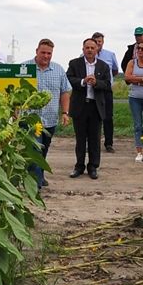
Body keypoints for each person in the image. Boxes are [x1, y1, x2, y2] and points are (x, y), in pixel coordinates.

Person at [24, 38, 71, 188]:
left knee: (43, 150)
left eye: (49, 53)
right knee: (34, 151)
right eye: (43, 52)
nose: (46, 56)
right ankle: (34, 185)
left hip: (50, 120)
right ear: (36, 51)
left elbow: (65, 92)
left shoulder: (58, 70)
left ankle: (40, 176)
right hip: (30, 120)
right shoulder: (24, 67)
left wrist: (65, 112)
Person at [66, 38, 112, 179]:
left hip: (95, 106)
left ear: (97, 49)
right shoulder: (74, 63)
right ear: (83, 49)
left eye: (93, 48)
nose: (90, 50)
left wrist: (96, 82)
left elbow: (107, 84)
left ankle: (93, 167)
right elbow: (69, 79)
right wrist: (83, 81)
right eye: (87, 47)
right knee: (80, 139)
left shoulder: (103, 66)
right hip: (80, 105)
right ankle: (79, 166)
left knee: (94, 139)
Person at [92, 32, 120, 153]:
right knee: (92, 117)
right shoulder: (85, 54)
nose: (98, 44)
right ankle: (92, 143)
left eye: (100, 41)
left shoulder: (110, 55)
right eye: (96, 41)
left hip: (106, 89)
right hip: (92, 89)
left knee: (108, 117)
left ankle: (109, 143)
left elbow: (114, 70)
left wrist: (105, 81)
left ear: (103, 42)